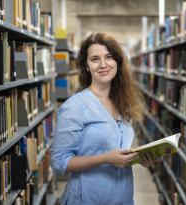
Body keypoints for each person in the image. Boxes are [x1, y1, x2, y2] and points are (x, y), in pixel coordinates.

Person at [51, 33, 155, 205]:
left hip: (123, 198)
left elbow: (118, 148)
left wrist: (139, 158)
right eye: (95, 59)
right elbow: (59, 162)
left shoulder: (123, 102)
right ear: (86, 66)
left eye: (109, 57)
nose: (103, 65)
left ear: (118, 62)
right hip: (88, 199)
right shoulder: (74, 107)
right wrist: (105, 158)